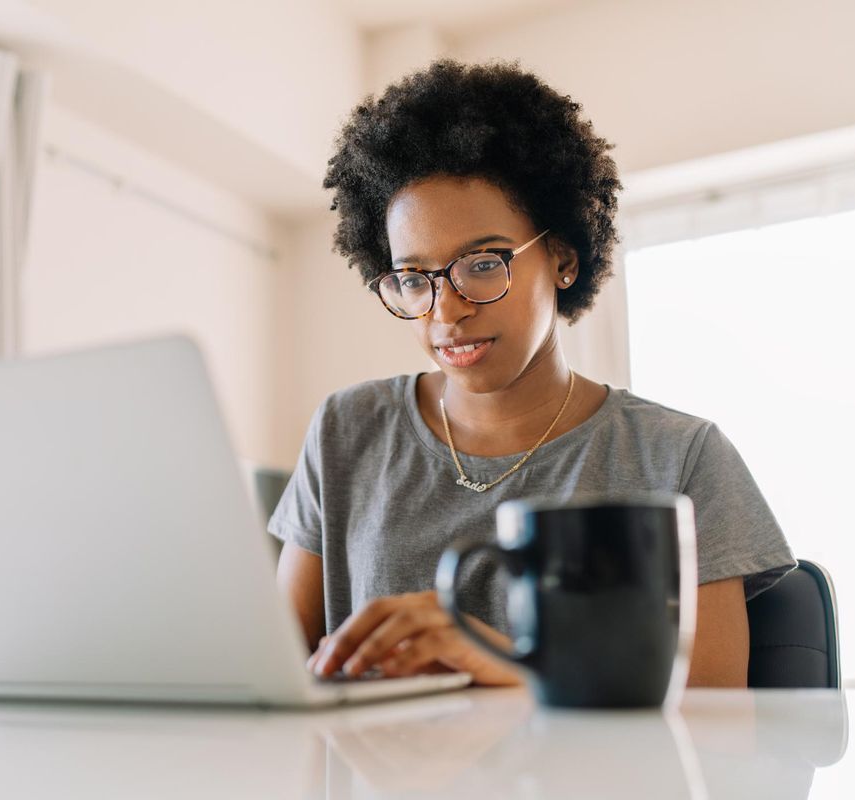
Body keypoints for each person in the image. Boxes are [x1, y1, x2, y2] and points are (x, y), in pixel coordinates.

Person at [268, 59, 796, 688]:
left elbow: (716, 726)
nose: (447, 309)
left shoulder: (679, 459)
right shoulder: (345, 432)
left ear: (563, 258)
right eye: (414, 278)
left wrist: (502, 664)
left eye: (483, 264)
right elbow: (277, 678)